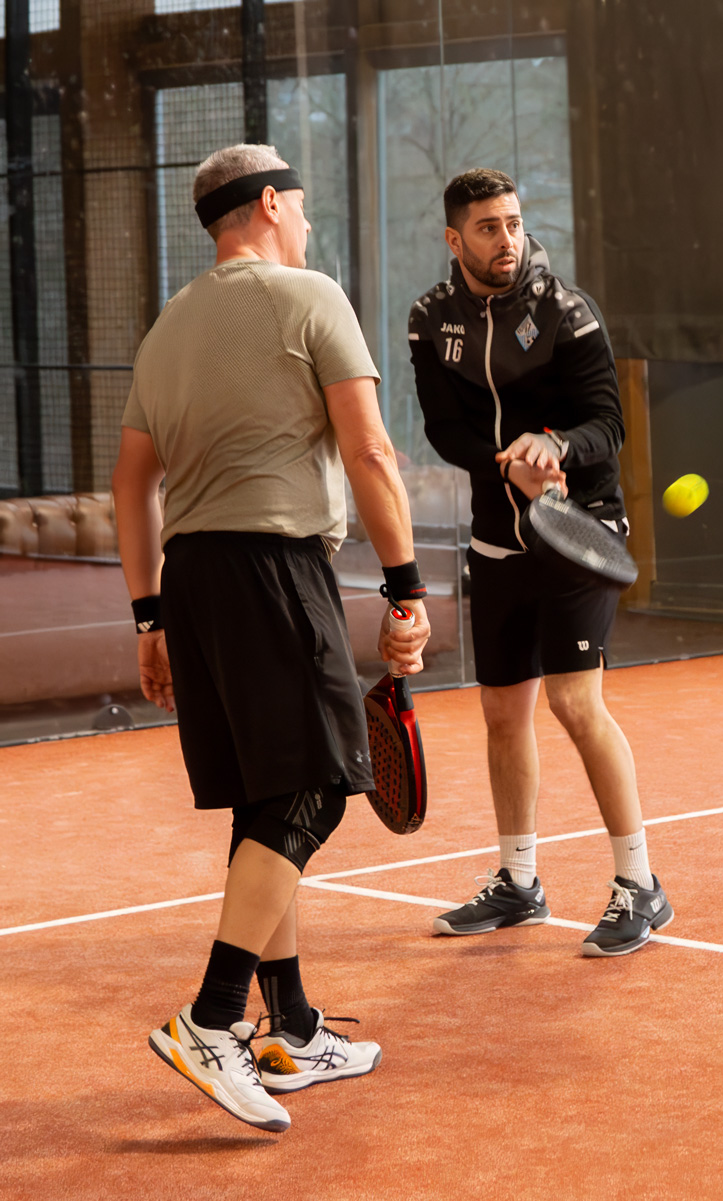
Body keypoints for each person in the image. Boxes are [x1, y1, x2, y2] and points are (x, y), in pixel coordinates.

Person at [112, 143, 430, 1132]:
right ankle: (212, 1020)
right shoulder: (309, 296)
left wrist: (149, 616)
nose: (307, 218)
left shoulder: (166, 328)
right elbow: (369, 448)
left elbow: (132, 483)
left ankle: (289, 1027)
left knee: (263, 799)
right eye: (299, 201)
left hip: (193, 581)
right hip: (273, 572)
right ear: (266, 206)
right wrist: (406, 588)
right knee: (312, 788)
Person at [408, 168, 672, 956]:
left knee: (573, 702)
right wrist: (504, 463)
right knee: (501, 712)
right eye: (487, 227)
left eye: (513, 223)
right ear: (454, 239)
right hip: (498, 538)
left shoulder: (565, 311)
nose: (506, 240)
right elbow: (443, 428)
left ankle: (640, 884)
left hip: (579, 527)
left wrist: (552, 447)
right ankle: (518, 882)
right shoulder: (430, 319)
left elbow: (607, 423)